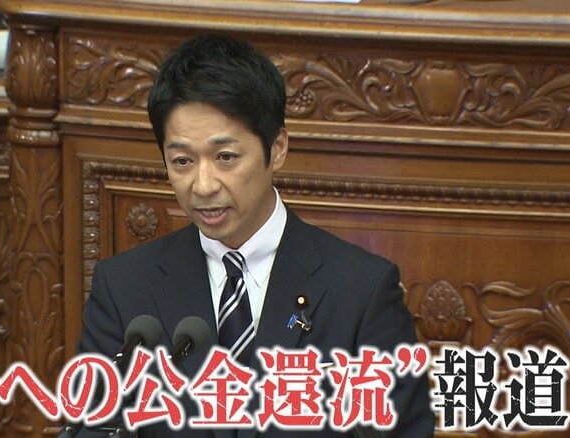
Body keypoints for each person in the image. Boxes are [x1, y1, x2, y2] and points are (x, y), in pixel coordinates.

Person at [77, 34, 434, 437]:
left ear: (276, 147)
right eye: (182, 161)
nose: (203, 185)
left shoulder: (362, 291)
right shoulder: (124, 289)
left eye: (226, 157)